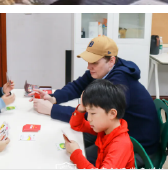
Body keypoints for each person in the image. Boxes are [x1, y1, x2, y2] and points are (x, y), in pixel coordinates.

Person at [31, 36, 159, 164]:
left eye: (94, 62)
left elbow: (95, 115)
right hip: (111, 132)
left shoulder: (119, 83)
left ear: (111, 61)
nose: (89, 67)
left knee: (75, 158)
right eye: (88, 62)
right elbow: (78, 86)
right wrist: (54, 98)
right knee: (71, 141)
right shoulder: (103, 71)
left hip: (139, 147)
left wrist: (52, 110)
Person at [64, 79, 135, 170]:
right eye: (87, 112)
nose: (89, 118)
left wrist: (76, 154)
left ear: (112, 113)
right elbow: (76, 125)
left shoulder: (120, 145)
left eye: (93, 113)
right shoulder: (105, 128)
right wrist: (81, 108)